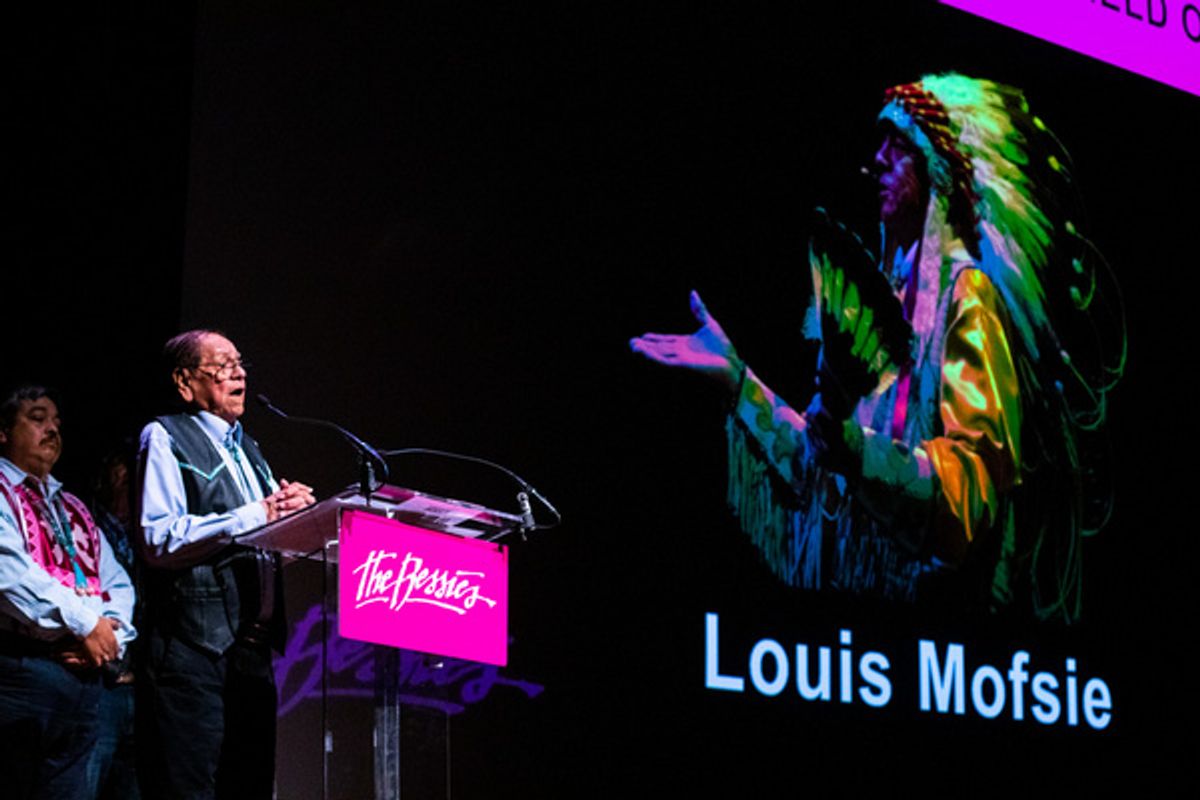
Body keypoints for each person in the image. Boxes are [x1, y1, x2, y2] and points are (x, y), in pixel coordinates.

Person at [631, 74, 1122, 622]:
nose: (876, 163)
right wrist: (738, 380)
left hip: (939, 653)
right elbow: (827, 469)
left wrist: (857, 452)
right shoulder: (889, 306)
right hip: (862, 643)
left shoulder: (967, 297)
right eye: (880, 146)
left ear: (936, 167)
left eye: (898, 148)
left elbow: (968, 498)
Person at [136, 330, 315, 799]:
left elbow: (258, 542)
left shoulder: (249, 450)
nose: (238, 373)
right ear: (184, 382)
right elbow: (159, 537)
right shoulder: (165, 436)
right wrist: (261, 512)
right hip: (195, 649)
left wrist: (297, 518)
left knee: (251, 788)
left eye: (239, 363)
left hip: (252, 654)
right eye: (221, 365)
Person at [0, 385, 135, 799]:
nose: (53, 430)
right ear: (3, 432)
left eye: (57, 422)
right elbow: (9, 572)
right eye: (38, 419)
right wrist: (85, 623)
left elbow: (117, 582)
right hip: (20, 671)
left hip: (82, 676)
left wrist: (110, 634)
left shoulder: (72, 506)